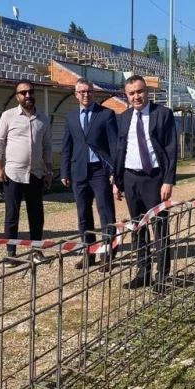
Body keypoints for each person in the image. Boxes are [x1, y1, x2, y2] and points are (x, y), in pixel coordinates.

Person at [113, 75, 177, 292]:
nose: (136, 97)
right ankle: (143, 273)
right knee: (138, 228)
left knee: (160, 228)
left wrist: (168, 180)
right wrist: (117, 181)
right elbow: (120, 150)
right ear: (126, 95)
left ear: (147, 91)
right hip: (131, 178)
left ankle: (162, 276)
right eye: (131, 93)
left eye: (139, 91)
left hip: (155, 179)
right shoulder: (124, 118)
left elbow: (171, 149)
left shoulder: (163, 114)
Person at [0, 80, 53, 265]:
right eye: (23, 92)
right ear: (17, 96)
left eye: (31, 92)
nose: (28, 95)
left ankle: (36, 251)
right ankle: (11, 253)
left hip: (36, 174)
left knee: (36, 216)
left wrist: (49, 170)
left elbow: (47, 146)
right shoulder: (8, 116)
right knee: (12, 215)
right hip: (13, 174)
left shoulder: (43, 119)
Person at [61, 79, 117, 270]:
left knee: (106, 213)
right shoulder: (70, 117)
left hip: (100, 171)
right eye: (82, 92)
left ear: (93, 93)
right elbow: (67, 146)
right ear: (76, 94)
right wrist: (65, 171)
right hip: (79, 172)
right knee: (83, 215)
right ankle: (89, 253)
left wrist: (114, 171)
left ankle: (108, 254)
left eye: (89, 91)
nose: (86, 95)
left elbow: (114, 146)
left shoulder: (106, 114)